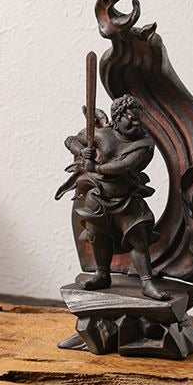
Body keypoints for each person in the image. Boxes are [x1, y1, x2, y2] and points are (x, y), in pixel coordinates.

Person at [56, 94, 169, 300]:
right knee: (98, 237)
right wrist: (84, 152)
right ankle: (102, 274)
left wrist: (96, 166)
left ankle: (147, 282)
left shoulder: (144, 143)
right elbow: (70, 140)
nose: (136, 122)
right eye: (131, 118)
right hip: (98, 197)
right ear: (117, 118)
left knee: (138, 239)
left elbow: (123, 166)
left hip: (127, 200)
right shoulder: (101, 134)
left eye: (138, 118)